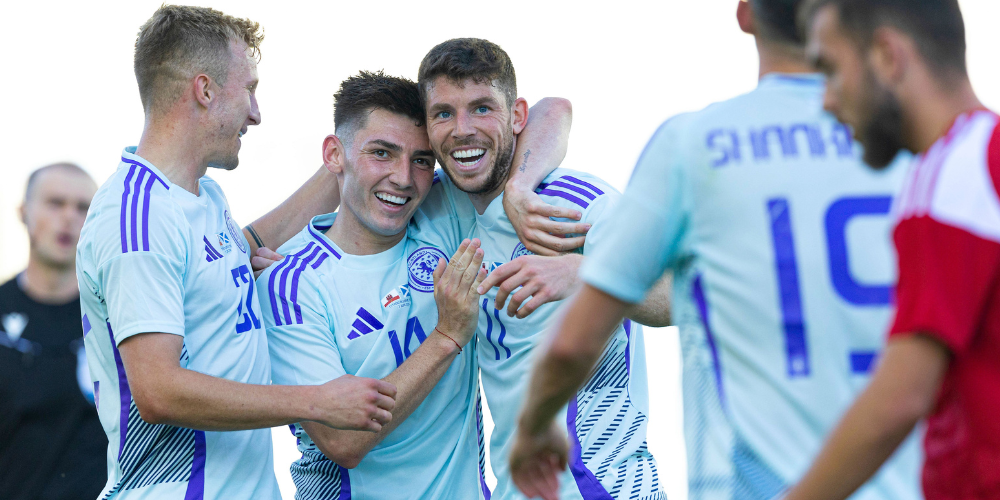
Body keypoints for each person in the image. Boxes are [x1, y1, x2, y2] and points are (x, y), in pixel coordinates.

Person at [507, 1, 925, 499]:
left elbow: (575, 341)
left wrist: (534, 425)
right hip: (901, 480)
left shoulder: (694, 142)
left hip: (750, 484)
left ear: (744, 15)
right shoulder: (909, 144)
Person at [76, 6, 398, 499]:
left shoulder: (200, 196)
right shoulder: (135, 218)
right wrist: (316, 401)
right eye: (248, 89)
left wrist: (354, 167)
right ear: (204, 90)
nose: (256, 112)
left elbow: (237, 249)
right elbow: (158, 391)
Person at [418, 38, 669, 500]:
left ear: (516, 117)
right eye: (444, 113)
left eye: (481, 108)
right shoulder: (442, 205)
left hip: (604, 488)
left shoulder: (574, 204)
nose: (463, 129)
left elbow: (681, 294)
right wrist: (259, 251)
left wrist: (582, 273)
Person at [787, 1, 999, 499]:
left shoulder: (952, 174)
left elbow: (900, 397)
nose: (826, 101)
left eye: (831, 70)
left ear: (887, 57)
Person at [0, 163, 105, 500]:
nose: (69, 217)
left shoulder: (120, 316)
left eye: (82, 207)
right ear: (23, 211)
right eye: (55, 203)